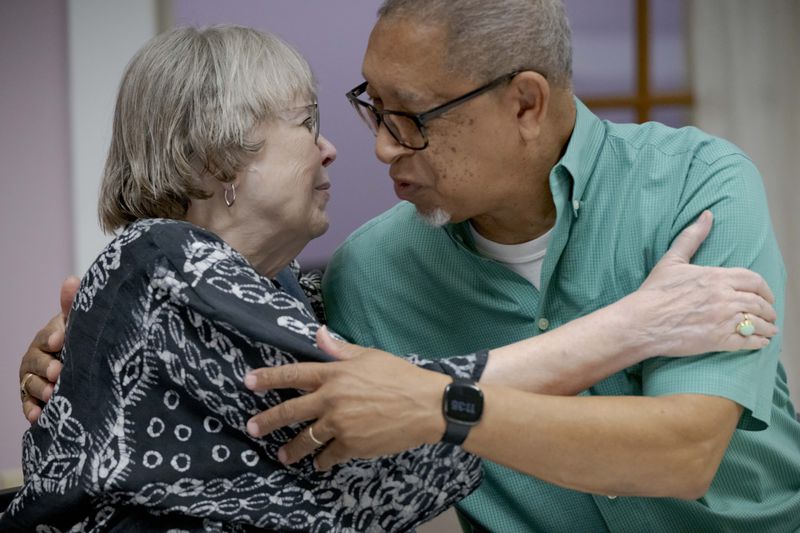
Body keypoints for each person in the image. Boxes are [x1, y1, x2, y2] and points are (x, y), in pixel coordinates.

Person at [13, 4, 792, 533]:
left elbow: (687, 451)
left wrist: (98, 338)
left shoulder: (699, 187)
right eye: (367, 109)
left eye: (410, 118)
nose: (376, 148)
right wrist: (633, 326)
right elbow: (347, 409)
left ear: (526, 104)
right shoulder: (367, 271)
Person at [2, 25, 492, 532]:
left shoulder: (278, 287)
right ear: (218, 158)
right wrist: (575, 354)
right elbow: (404, 423)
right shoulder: (162, 257)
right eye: (307, 123)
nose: (329, 149)